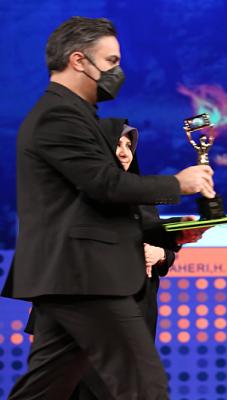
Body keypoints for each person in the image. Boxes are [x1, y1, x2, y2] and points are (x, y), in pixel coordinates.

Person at [2, 17, 214, 399]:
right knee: (143, 385)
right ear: (78, 60)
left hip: (74, 278)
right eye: (112, 61)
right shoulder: (59, 116)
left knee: (45, 390)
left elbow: (100, 203)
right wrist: (179, 184)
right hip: (85, 276)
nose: (119, 72)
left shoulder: (73, 114)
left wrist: (170, 239)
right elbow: (105, 186)